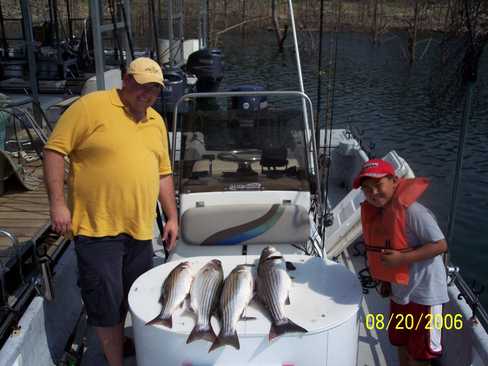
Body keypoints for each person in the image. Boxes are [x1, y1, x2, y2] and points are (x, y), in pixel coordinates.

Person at [43, 57, 178, 366]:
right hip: (97, 229)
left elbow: (163, 173)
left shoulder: (156, 120)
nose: (147, 95)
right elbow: (54, 150)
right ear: (127, 81)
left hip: (141, 229)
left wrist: (171, 216)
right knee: (106, 303)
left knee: (136, 297)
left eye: (154, 90)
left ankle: (124, 342)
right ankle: (115, 361)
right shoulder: (91, 106)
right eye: (142, 87)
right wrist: (58, 203)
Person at [353, 159, 448, 366]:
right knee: (401, 342)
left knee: (420, 353)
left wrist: (403, 258)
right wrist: (385, 281)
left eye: (378, 185)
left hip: (424, 294)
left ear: (395, 181)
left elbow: (440, 245)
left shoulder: (414, 212)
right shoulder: (378, 213)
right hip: (400, 292)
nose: (374, 193)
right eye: (367, 189)